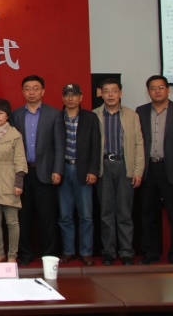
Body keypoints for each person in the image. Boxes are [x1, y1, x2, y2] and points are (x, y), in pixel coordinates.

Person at [137, 75, 173, 265]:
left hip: (172, 169)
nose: (157, 91)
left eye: (161, 87)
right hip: (149, 170)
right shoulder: (141, 111)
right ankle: (151, 253)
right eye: (153, 88)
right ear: (148, 91)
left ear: (168, 89)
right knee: (149, 215)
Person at [10, 75, 64, 266]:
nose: (31, 92)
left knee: (47, 217)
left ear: (43, 91)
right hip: (23, 174)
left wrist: (58, 170)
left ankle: (49, 254)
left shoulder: (54, 114)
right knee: (23, 217)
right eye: (27, 88)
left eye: (35, 88)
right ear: (23, 92)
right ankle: (25, 253)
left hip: (46, 173)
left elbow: (59, 145)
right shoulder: (16, 115)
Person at [94, 78, 144, 266]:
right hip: (104, 167)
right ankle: (108, 251)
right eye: (106, 91)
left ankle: (126, 252)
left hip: (125, 166)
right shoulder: (94, 115)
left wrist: (138, 171)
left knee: (124, 213)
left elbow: (139, 144)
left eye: (114, 91)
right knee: (106, 213)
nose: (110, 95)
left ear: (120, 93)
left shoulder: (132, 115)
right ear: (101, 94)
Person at [58, 83, 101, 267]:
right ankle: (68, 251)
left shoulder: (90, 117)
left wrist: (93, 170)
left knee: (86, 215)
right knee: (65, 214)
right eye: (67, 95)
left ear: (80, 97)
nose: (70, 98)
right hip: (64, 170)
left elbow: (96, 146)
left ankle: (86, 251)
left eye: (74, 95)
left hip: (84, 171)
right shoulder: (57, 117)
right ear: (63, 98)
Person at [0, 98, 27, 263]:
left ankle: (12, 255)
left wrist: (18, 183)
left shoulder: (15, 135)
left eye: (1, 113)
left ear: (7, 115)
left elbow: (20, 160)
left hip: (9, 180)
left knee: (12, 221)